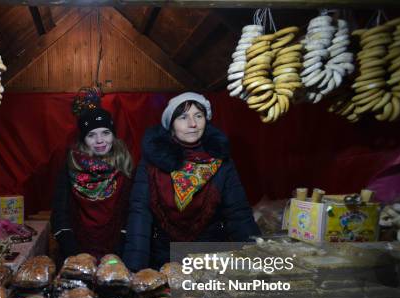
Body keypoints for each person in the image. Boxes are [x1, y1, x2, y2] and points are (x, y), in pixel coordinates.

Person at [123, 92, 260, 271]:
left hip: (209, 257)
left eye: (198, 116)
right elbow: (139, 214)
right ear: (171, 125)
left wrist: (257, 260)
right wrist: (134, 269)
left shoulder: (220, 160)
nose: (193, 124)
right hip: (164, 258)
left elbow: (238, 213)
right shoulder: (152, 162)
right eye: (183, 117)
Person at [51, 107, 134, 261]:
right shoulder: (70, 166)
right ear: (83, 139)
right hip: (76, 251)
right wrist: (74, 254)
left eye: (106, 133)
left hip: (118, 254)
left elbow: (131, 214)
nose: (100, 140)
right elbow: (59, 214)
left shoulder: (125, 166)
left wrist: (119, 252)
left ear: (113, 135)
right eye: (91, 135)